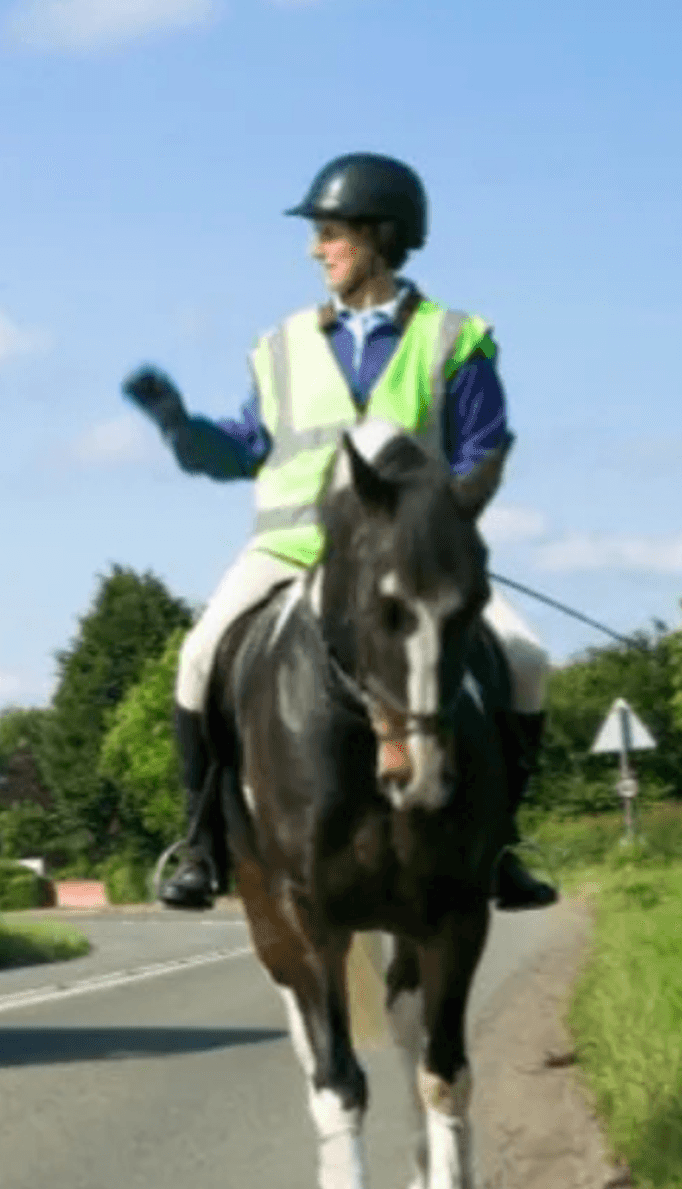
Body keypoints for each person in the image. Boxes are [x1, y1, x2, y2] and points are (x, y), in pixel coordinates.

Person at [122, 152, 557, 913]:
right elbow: (244, 447)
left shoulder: (456, 339)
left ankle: (501, 844)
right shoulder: (282, 344)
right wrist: (181, 430)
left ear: (380, 236)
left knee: (525, 659)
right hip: (291, 553)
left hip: (412, 561)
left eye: (331, 234)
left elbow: (479, 452)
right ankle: (201, 846)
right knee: (196, 659)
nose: (316, 249)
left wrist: (434, 535)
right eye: (319, 235)